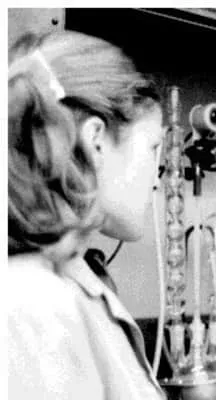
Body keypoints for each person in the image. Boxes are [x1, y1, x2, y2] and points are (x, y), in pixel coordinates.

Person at [8, 30, 166, 399]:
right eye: (152, 148)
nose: (157, 179)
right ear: (95, 141)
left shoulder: (71, 278)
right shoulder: (36, 304)